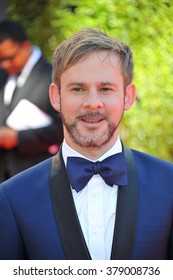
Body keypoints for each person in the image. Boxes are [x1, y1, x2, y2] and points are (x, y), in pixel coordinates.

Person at [0, 27, 173, 260]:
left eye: (105, 89)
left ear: (127, 97)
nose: (93, 102)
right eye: (78, 89)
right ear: (56, 97)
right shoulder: (12, 197)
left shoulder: (169, 184)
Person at [0, 19, 63, 182]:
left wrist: (18, 138)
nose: (5, 65)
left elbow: (66, 129)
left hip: (37, 175)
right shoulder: (3, 75)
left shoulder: (53, 77)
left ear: (25, 46)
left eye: (10, 58)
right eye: (0, 60)